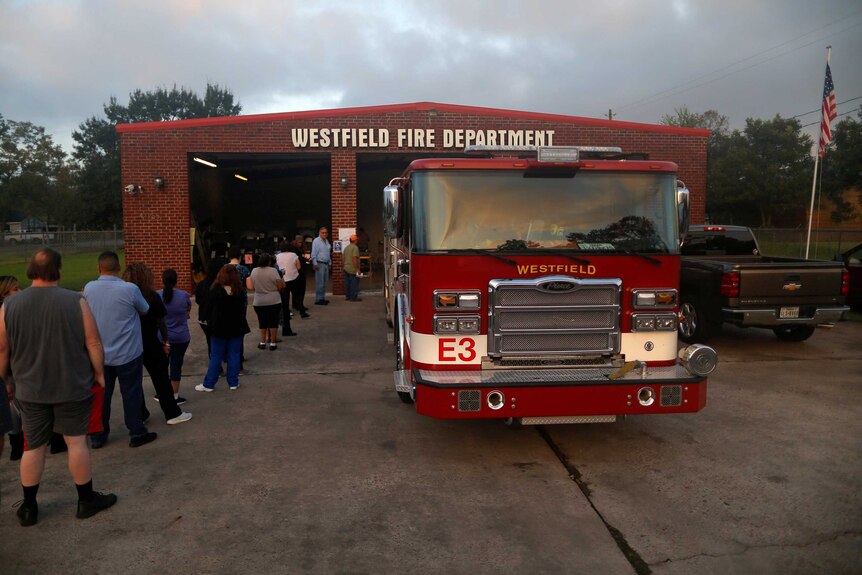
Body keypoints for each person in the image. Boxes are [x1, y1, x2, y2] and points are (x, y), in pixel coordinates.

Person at [0, 249, 116, 526]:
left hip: (30, 390)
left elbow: (3, 349)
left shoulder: (9, 306)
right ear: (59, 271)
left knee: (34, 447)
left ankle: (29, 507)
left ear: (31, 270)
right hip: (72, 386)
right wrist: (100, 373)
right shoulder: (76, 301)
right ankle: (85, 500)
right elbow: (94, 343)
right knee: (76, 442)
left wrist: (4, 380)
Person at [83, 251, 157, 449]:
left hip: (100, 354)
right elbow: (145, 309)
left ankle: (98, 435)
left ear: (99, 268)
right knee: (131, 393)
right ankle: (136, 431)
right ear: (118, 268)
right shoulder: (130, 289)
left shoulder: (89, 288)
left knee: (102, 395)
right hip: (128, 353)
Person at [123, 263, 192, 426]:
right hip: (151, 342)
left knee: (134, 381)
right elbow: (161, 322)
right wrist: (165, 341)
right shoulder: (151, 296)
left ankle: (140, 414)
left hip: (130, 342)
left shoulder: (123, 297)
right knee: (161, 378)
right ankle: (172, 412)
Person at [195, 265, 250, 392]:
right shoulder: (239, 291)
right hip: (236, 326)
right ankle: (233, 382)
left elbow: (207, 308)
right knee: (234, 355)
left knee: (216, 356)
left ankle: (209, 384)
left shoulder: (216, 290)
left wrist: (205, 319)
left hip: (218, 327)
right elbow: (242, 308)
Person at [158, 268, 192, 402]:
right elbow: (188, 309)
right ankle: (175, 395)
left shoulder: (157, 295)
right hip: (181, 337)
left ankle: (163, 393)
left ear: (162, 280)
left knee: (162, 367)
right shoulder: (184, 295)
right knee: (176, 366)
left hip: (162, 338)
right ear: (176, 280)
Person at [247, 253, 288, 349]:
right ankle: (273, 343)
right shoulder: (273, 271)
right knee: (273, 322)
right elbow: (280, 286)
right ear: (269, 262)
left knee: (262, 322)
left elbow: (251, 287)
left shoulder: (254, 271)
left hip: (259, 300)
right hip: (273, 300)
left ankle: (262, 342)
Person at [277, 240, 306, 328]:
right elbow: (299, 267)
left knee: (285, 297)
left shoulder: (277, 256)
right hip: (294, 278)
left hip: (283, 279)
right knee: (297, 295)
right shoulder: (293, 255)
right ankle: (302, 311)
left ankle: (287, 312)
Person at [289, 234, 311, 318]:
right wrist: (305, 259)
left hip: (299, 271)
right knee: (300, 290)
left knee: (297, 290)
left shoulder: (297, 248)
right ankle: (300, 306)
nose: (300, 244)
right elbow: (298, 259)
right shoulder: (294, 250)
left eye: (301, 242)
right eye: (299, 242)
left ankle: (297, 305)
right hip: (299, 271)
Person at [311, 227, 332, 305]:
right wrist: (315, 263)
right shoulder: (316, 241)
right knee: (320, 283)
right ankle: (318, 299)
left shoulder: (326, 241)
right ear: (319, 233)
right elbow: (313, 253)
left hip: (326, 264)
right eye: (323, 233)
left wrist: (330, 263)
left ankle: (322, 298)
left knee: (324, 282)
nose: (324, 234)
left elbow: (328, 253)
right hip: (319, 264)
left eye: (326, 233)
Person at [342, 233, 362, 302]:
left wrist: (344, 266)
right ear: (355, 240)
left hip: (346, 268)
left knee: (347, 284)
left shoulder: (346, 248)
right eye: (357, 240)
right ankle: (353, 297)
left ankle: (348, 296)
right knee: (354, 284)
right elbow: (354, 258)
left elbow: (343, 259)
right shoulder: (355, 247)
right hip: (352, 269)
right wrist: (357, 269)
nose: (357, 241)